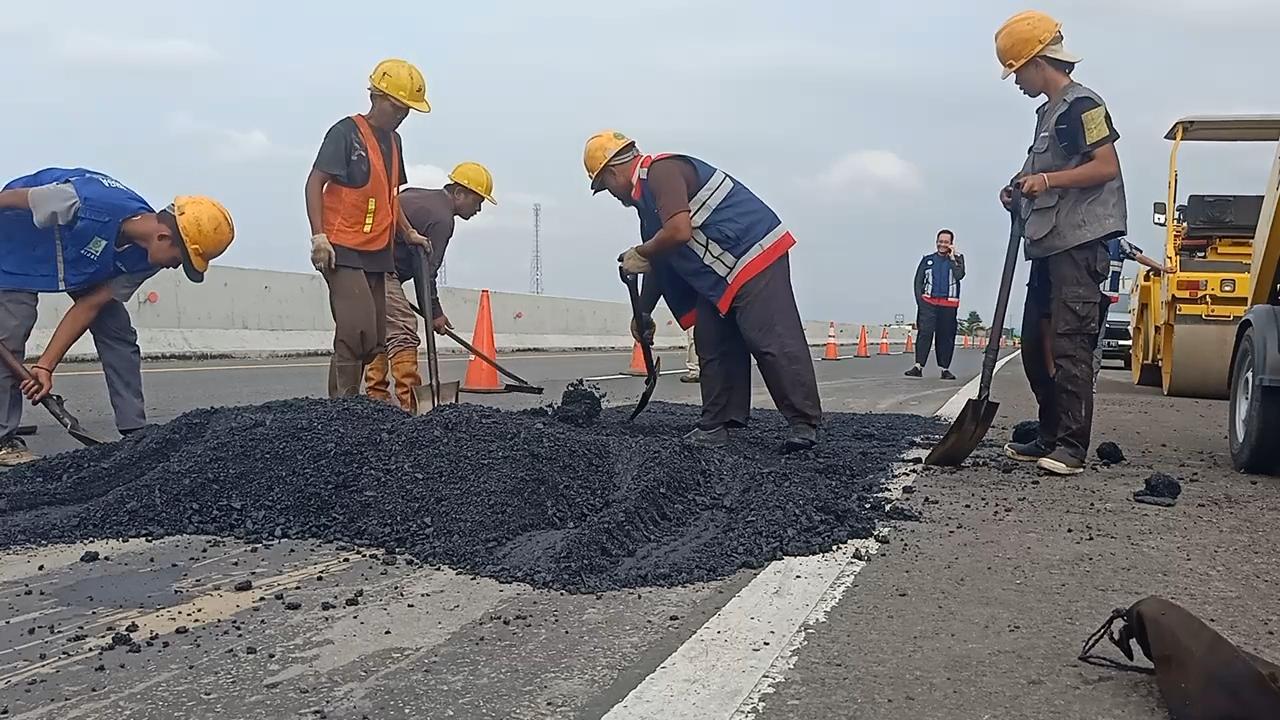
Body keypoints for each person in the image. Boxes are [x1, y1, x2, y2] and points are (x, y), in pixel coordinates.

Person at [585, 130, 822, 452]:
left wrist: (643, 251)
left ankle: (803, 423)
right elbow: (661, 258)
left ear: (613, 172)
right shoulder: (648, 205)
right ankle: (717, 424)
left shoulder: (661, 172)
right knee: (711, 341)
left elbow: (678, 233)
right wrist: (643, 311)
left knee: (770, 338)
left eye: (604, 186)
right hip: (722, 275)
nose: (611, 195)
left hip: (753, 253)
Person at [0, 168, 234, 465]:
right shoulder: (81, 201)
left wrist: (45, 366)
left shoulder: (145, 261)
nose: (176, 267)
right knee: (11, 330)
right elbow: (8, 199)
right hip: (17, 243)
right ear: (163, 237)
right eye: (181, 260)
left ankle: (134, 429)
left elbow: (90, 305)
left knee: (117, 331)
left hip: (82, 259)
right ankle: (3, 438)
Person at [995, 11, 1127, 476]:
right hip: (1049, 244)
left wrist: (1047, 179)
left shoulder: (1083, 106)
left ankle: (1071, 446)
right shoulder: (1049, 114)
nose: (1015, 82)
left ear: (1036, 62)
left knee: (1070, 345)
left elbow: (1106, 166)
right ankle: (1049, 434)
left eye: (1016, 72)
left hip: (1080, 244)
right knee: (1036, 345)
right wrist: (1020, 186)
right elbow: (1044, 173)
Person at [304, 58, 431, 398]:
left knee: (374, 338)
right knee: (354, 328)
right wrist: (319, 237)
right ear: (376, 96)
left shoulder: (395, 142)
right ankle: (342, 403)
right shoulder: (345, 132)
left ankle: (351, 404)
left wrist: (407, 232)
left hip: (378, 251)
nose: (401, 114)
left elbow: (390, 194)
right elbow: (314, 182)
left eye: (407, 110)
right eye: (397, 106)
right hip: (341, 247)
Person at [364, 162, 496, 413]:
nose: (478, 209)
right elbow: (426, 274)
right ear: (459, 193)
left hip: (364, 264)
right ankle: (409, 403)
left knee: (381, 330)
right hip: (380, 270)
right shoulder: (442, 219)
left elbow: (418, 267)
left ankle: (376, 397)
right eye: (477, 201)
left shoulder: (416, 194)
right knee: (404, 328)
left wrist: (432, 311)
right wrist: (434, 313)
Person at [1094, 236, 1168, 387]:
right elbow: (1138, 256)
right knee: (1095, 342)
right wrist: (1161, 268)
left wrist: (1161, 268)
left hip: (1090, 299)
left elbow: (1139, 256)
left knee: (1089, 341)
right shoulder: (1118, 243)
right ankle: (1089, 382)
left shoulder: (1088, 239)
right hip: (1099, 299)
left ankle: (1085, 381)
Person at [905, 229, 964, 380]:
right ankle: (918, 366)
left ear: (951, 244)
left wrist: (953, 258)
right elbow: (918, 282)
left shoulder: (958, 259)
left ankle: (944, 369)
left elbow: (959, 275)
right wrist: (921, 302)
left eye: (946, 242)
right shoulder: (927, 260)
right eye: (940, 241)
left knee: (945, 337)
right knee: (925, 333)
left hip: (948, 306)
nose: (942, 244)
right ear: (936, 242)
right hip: (928, 304)